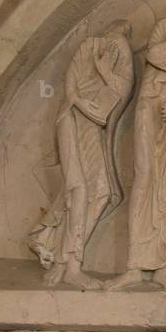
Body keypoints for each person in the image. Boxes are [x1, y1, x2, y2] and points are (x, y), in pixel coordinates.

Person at [28, 21, 134, 289]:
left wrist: (105, 71)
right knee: (79, 188)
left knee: (100, 192)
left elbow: (123, 90)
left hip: (93, 126)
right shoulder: (89, 45)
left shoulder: (119, 59)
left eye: (121, 42)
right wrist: (80, 100)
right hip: (72, 119)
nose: (117, 44)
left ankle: (65, 257)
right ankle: (69, 266)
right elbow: (71, 84)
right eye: (116, 38)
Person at [109, 0, 166, 291]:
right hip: (150, 112)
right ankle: (135, 265)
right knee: (145, 179)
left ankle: (165, 267)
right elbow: (154, 53)